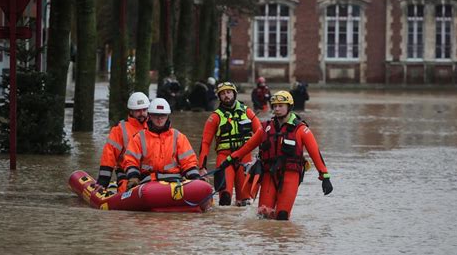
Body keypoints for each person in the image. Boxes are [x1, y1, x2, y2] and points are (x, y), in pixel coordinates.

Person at [220, 91, 333, 220]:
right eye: (274, 106)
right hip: (268, 174)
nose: (277, 109)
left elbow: (315, 154)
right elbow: (247, 147)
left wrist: (325, 177)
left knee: (282, 216)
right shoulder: (265, 128)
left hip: (290, 175)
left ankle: (282, 239)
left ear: (289, 106)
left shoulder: (301, 130)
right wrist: (229, 160)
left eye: (280, 105)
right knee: (263, 215)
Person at [199, 82, 262, 206]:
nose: (226, 96)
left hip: (245, 158)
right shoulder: (215, 117)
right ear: (219, 97)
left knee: (245, 201)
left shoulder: (247, 112)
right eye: (222, 94)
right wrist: (202, 167)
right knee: (225, 198)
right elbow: (205, 143)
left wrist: (263, 156)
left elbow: (261, 135)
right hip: (224, 159)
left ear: (234, 93)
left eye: (228, 92)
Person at [124, 98, 201, 190]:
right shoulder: (139, 138)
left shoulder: (178, 137)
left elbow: (189, 162)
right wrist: (133, 178)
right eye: (156, 115)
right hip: (148, 182)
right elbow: (131, 161)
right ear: (150, 116)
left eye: (163, 116)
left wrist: (196, 178)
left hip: (174, 181)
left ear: (167, 116)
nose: (159, 119)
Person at [96, 92, 150, 193]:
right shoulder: (120, 129)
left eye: (144, 110)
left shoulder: (153, 127)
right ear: (131, 111)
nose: (142, 113)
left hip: (149, 174)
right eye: (138, 110)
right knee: (125, 189)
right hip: (126, 174)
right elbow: (109, 155)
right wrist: (103, 181)